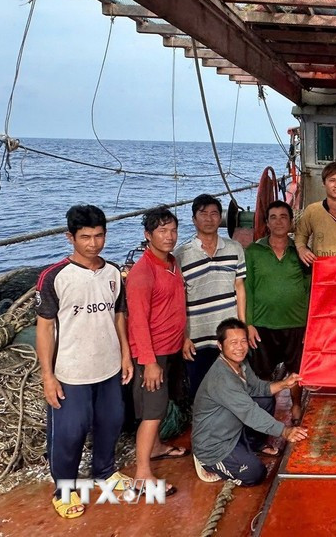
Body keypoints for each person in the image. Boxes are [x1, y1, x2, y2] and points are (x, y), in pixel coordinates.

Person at [36, 205, 133, 519]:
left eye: (99, 235)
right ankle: (63, 491)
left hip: (108, 366)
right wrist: (48, 375)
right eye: (86, 237)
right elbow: (45, 327)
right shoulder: (54, 277)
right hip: (71, 370)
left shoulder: (113, 273)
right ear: (70, 237)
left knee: (111, 421)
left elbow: (119, 315)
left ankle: (104, 472)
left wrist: (125, 355)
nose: (94, 244)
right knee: (70, 432)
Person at [192, 318, 308, 485]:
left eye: (243, 341)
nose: (239, 347)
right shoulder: (222, 379)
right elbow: (250, 413)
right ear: (220, 346)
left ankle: (253, 444)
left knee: (265, 399)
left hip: (231, 430)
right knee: (255, 474)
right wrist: (285, 431)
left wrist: (284, 383)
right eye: (233, 342)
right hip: (214, 444)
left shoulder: (240, 363)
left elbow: (255, 388)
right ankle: (207, 462)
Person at [126, 206, 188, 497]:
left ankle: (158, 447)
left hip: (173, 347)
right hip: (153, 354)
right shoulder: (142, 272)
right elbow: (137, 321)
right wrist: (149, 363)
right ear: (147, 235)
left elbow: (175, 306)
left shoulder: (172, 263)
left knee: (162, 407)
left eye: (173, 230)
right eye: (162, 231)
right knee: (152, 412)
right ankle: (141, 473)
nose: (169, 236)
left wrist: (184, 338)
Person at [174, 194, 246, 399]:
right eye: (203, 214)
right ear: (194, 219)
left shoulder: (234, 248)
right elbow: (178, 301)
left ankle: (231, 431)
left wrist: (242, 326)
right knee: (201, 392)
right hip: (197, 337)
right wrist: (184, 337)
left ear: (221, 218)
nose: (209, 218)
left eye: (214, 213)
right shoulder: (181, 255)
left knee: (234, 390)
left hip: (228, 336)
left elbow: (239, 288)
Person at [245, 200, 310, 425]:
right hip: (263, 323)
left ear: (291, 222)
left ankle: (296, 404)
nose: (279, 221)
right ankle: (264, 409)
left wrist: (310, 323)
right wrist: (249, 324)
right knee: (262, 371)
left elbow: (311, 289)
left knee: (295, 369)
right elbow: (248, 288)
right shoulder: (253, 251)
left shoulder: (301, 253)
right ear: (266, 223)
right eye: (273, 217)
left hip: (296, 322)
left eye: (284, 217)